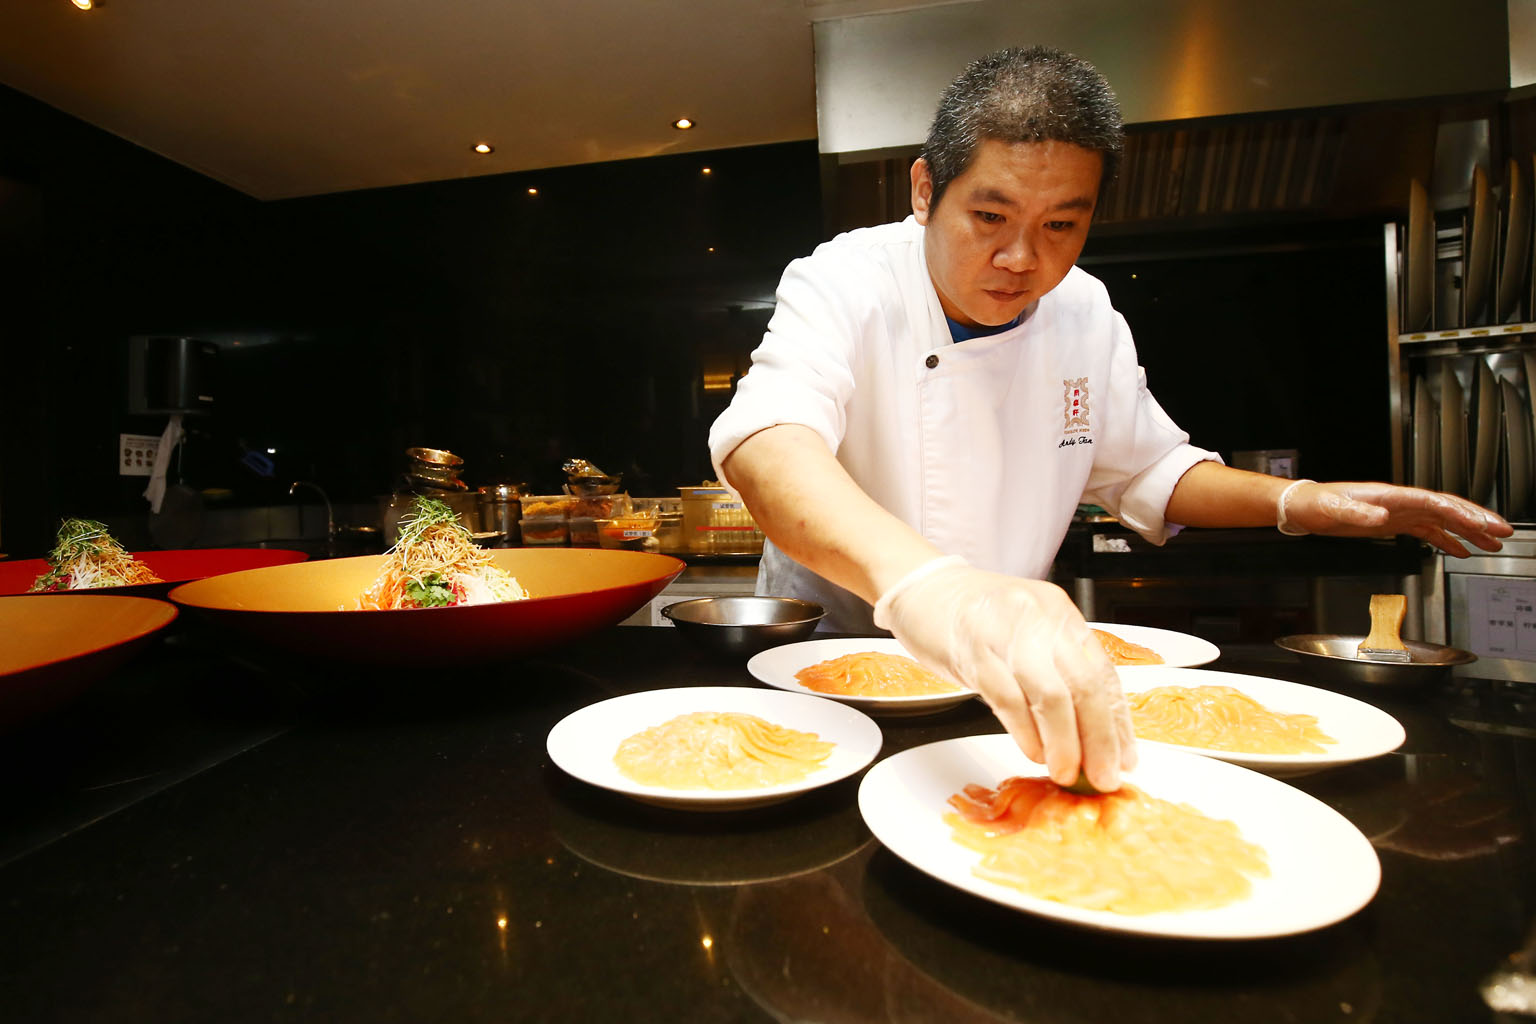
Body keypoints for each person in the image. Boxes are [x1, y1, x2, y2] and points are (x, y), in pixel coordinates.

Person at [707, 46, 1511, 792]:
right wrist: (930, 588)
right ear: (925, 190)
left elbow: (1151, 469)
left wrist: (1297, 503)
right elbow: (767, 445)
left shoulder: (1084, 312)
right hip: (832, 668)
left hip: (1005, 676)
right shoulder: (846, 279)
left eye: (1061, 225)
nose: (1023, 258)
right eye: (990, 217)